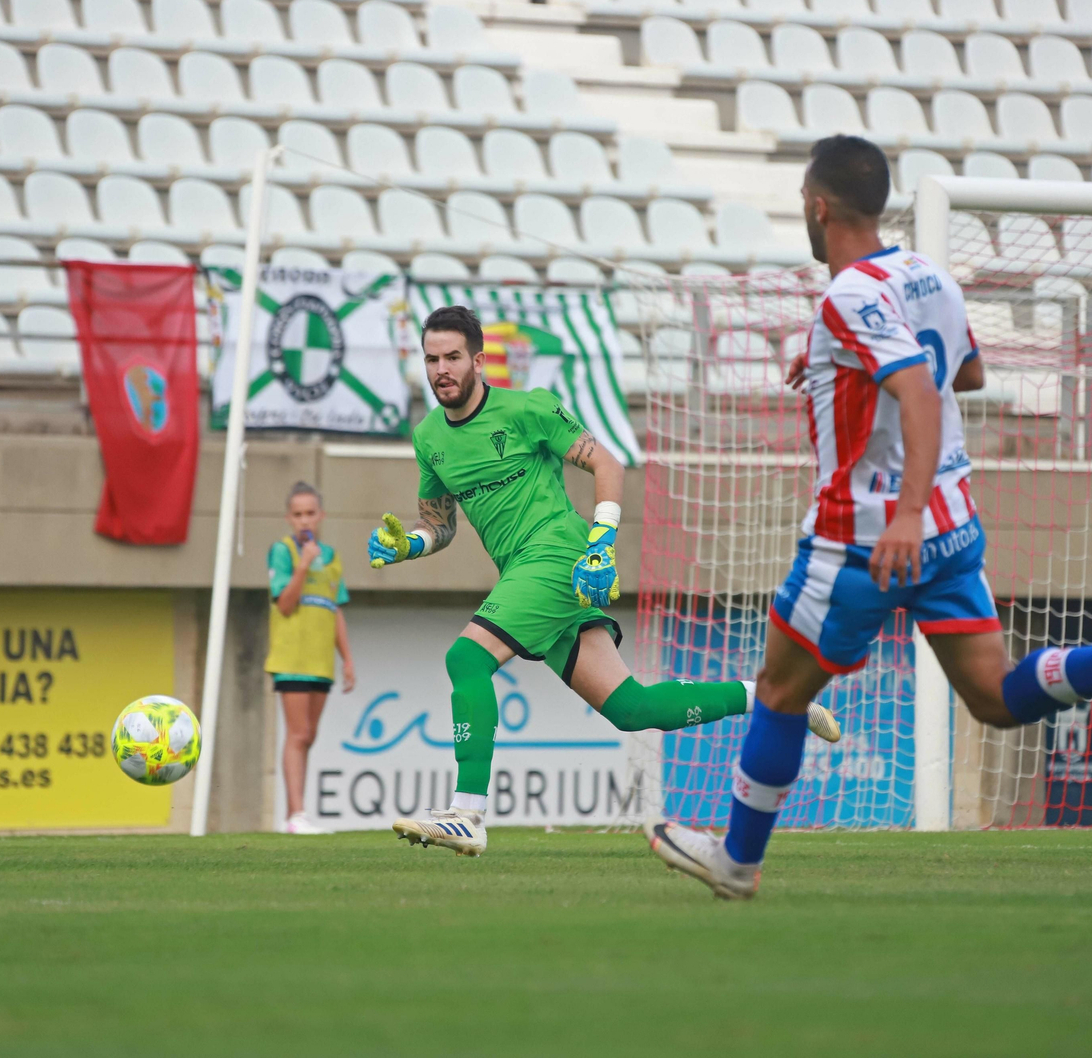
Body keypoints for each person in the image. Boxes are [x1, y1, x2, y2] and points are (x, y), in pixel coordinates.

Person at [645, 135, 1092, 899]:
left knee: (781, 694)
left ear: (818, 207)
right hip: (952, 529)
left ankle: (737, 863)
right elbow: (969, 372)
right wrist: (837, 365)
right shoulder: (929, 276)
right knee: (993, 697)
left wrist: (904, 511)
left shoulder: (847, 295)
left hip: (865, 536)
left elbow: (920, 390)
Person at [368, 305, 844, 858]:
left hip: (557, 553)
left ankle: (467, 814)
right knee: (633, 709)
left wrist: (601, 544)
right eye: (431, 359)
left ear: (477, 361)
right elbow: (440, 524)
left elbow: (608, 465)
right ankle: (772, 697)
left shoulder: (527, 408)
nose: (441, 369)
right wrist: (410, 544)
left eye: (452, 357)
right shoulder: (428, 437)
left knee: (466, 659)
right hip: (526, 572)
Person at [266, 481, 356, 836]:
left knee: (309, 735)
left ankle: (296, 814)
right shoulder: (283, 551)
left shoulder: (332, 557)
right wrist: (303, 566)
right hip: (292, 657)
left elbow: (335, 610)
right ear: (289, 518)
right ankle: (296, 814)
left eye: (310, 513)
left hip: (321, 661)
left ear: (321, 516)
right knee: (298, 733)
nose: (304, 520)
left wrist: (347, 659)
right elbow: (285, 605)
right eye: (298, 514)